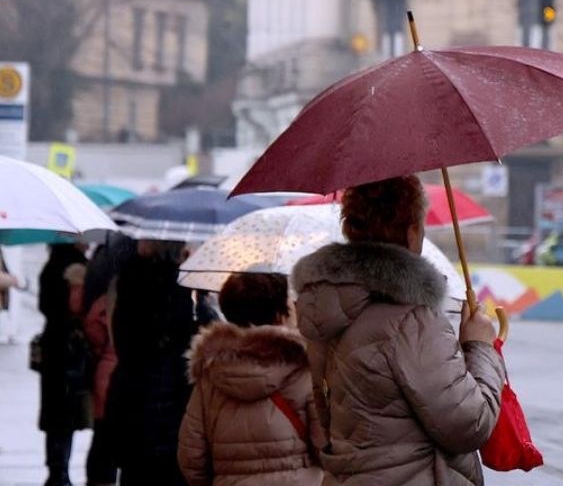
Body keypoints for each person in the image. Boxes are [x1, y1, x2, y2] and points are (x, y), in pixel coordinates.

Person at [292, 175, 503, 486]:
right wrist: (479, 347)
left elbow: (329, 419)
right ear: (413, 231)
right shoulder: (412, 322)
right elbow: (468, 425)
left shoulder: (327, 314)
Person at [177, 271, 321, 486]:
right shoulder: (304, 371)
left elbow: (192, 458)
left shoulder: (210, 375)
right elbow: (328, 447)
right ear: (279, 313)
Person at [107, 240, 207, 486]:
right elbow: (196, 339)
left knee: (136, 471)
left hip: (134, 404)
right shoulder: (186, 290)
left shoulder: (129, 283)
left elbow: (121, 340)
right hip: (176, 403)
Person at [82, 234, 135, 486]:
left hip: (107, 368)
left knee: (103, 434)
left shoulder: (106, 299)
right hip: (121, 372)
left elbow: (92, 327)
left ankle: (99, 479)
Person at [37, 242, 92, 486]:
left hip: (53, 348)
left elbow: (44, 306)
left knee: (55, 414)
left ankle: (56, 471)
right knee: (67, 414)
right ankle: (60, 473)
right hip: (72, 349)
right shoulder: (77, 267)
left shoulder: (51, 265)